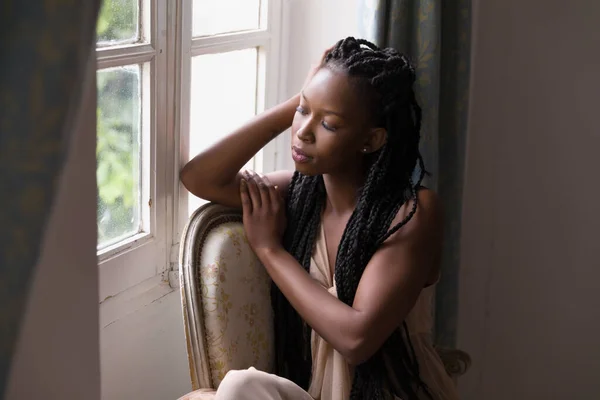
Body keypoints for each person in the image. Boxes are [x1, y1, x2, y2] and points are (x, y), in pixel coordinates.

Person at [180, 37, 459, 400]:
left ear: (371, 140)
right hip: (313, 392)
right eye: (302, 111)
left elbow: (356, 339)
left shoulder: (412, 214)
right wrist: (300, 104)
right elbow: (200, 177)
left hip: (390, 393)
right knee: (237, 388)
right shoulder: (299, 197)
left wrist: (269, 249)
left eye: (328, 123)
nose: (303, 131)